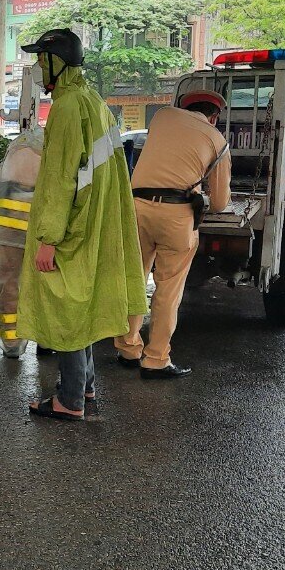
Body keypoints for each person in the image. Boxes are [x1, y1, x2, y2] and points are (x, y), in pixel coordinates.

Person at [16, 28, 146, 422]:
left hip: (71, 226)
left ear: (57, 62)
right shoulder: (94, 101)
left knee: (66, 307)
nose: (38, 66)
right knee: (82, 304)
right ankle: (85, 386)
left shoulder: (68, 107)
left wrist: (49, 239)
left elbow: (60, 178)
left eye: (42, 58)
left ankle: (69, 399)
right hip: (95, 223)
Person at [113, 91, 231, 379]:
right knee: (167, 291)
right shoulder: (218, 140)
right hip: (177, 216)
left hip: (137, 208)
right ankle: (156, 359)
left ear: (183, 107)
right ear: (213, 117)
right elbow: (219, 203)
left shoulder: (163, 116)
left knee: (135, 279)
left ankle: (128, 349)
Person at [0, 125, 43, 358]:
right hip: (37, 231)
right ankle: (45, 339)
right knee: (44, 286)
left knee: (7, 286)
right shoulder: (47, 150)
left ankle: (11, 345)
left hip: (5, 232)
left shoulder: (17, 148)